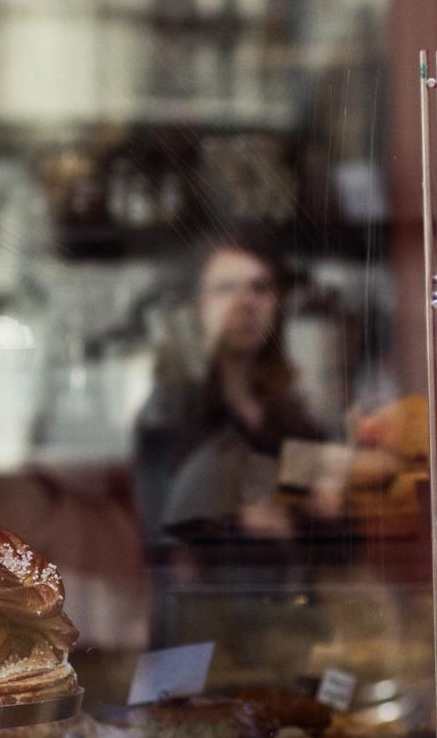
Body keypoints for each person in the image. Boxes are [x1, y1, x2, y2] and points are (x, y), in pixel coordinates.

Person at [132, 237, 343, 561]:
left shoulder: (285, 415)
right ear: (197, 306)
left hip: (288, 605)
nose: (246, 302)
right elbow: (167, 539)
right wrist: (250, 520)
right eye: (226, 288)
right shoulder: (171, 413)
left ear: (277, 305)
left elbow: (328, 526)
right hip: (208, 607)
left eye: (260, 288)